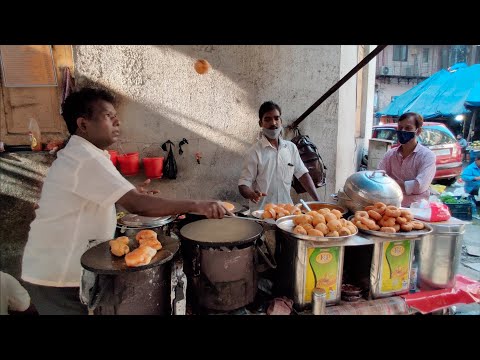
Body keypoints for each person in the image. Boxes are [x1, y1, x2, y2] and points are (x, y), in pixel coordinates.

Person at [21, 87, 232, 315]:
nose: (117, 122)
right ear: (83, 124)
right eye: (109, 117)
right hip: (58, 276)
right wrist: (196, 204)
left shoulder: (85, 154)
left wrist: (130, 193)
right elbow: (137, 205)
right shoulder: (84, 158)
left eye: (116, 116)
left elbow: (102, 199)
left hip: (60, 270)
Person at [238, 101, 320, 212]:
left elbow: (303, 175)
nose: (273, 123)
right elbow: (243, 185)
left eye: (276, 118)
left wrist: (318, 202)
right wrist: (252, 194)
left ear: (281, 121)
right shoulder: (254, 152)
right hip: (262, 214)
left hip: (286, 212)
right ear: (260, 123)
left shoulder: (291, 148)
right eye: (267, 119)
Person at [377, 112, 436, 208]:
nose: (403, 131)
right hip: (391, 206)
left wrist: (390, 182)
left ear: (418, 131)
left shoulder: (427, 156)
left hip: (416, 208)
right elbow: (378, 178)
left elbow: (419, 186)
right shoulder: (390, 154)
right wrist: (405, 185)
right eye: (400, 128)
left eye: (408, 128)